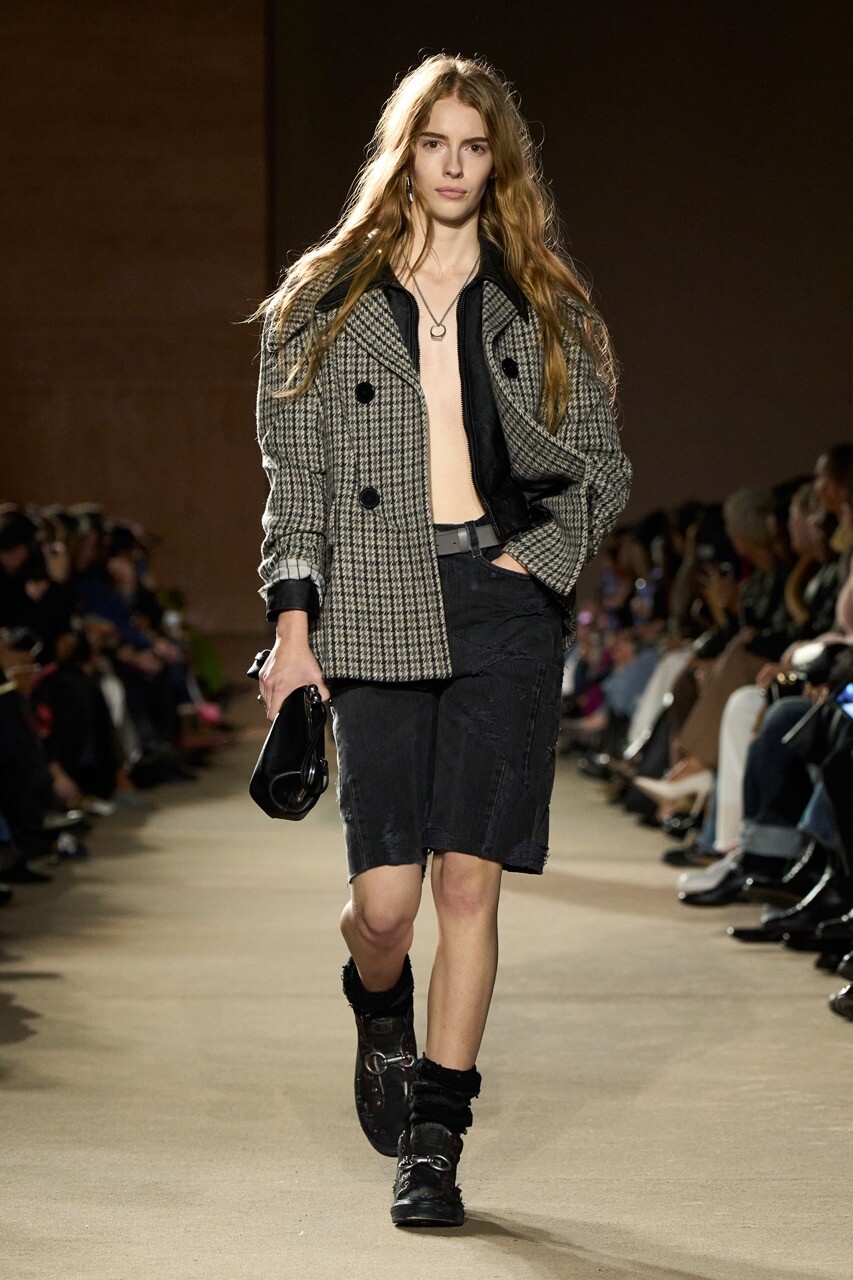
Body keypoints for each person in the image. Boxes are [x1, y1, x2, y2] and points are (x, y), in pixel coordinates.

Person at [248, 53, 632, 1228]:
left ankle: (434, 1136)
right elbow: (296, 483)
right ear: (402, 153)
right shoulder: (324, 299)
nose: (454, 166)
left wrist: (534, 560)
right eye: (434, 143)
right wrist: (292, 630)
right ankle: (380, 1005)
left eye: (474, 146)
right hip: (373, 598)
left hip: (499, 602)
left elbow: (602, 467)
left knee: (468, 879)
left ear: (496, 162)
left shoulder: (543, 300)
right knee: (385, 903)